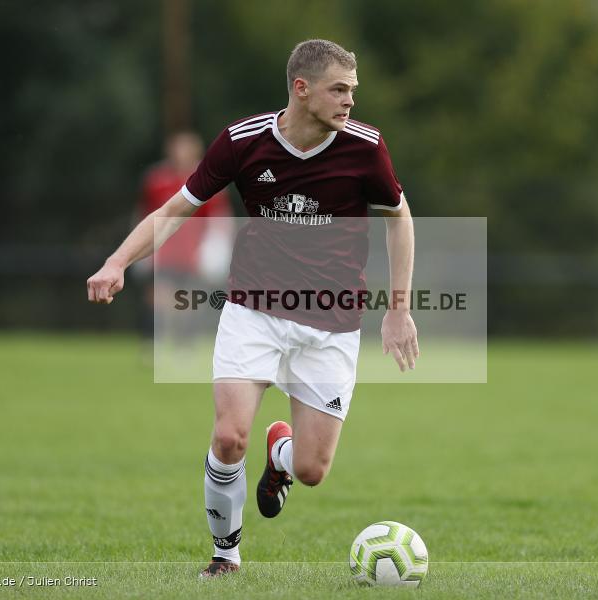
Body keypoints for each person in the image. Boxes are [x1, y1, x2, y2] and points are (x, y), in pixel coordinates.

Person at [87, 39, 418, 578]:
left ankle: (282, 453)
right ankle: (226, 556)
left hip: (332, 326)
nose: (350, 102)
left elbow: (398, 218)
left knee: (311, 471)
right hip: (254, 311)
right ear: (301, 88)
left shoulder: (366, 148)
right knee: (228, 435)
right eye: (339, 90)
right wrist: (118, 261)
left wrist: (398, 308)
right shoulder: (243, 142)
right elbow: (176, 211)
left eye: (353, 91)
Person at [135, 132, 233, 344]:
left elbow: (219, 220)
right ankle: (152, 341)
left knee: (187, 299)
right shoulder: (157, 180)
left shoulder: (209, 180)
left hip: (192, 253)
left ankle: (184, 343)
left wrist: (216, 249)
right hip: (165, 250)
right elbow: (146, 214)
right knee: (158, 296)